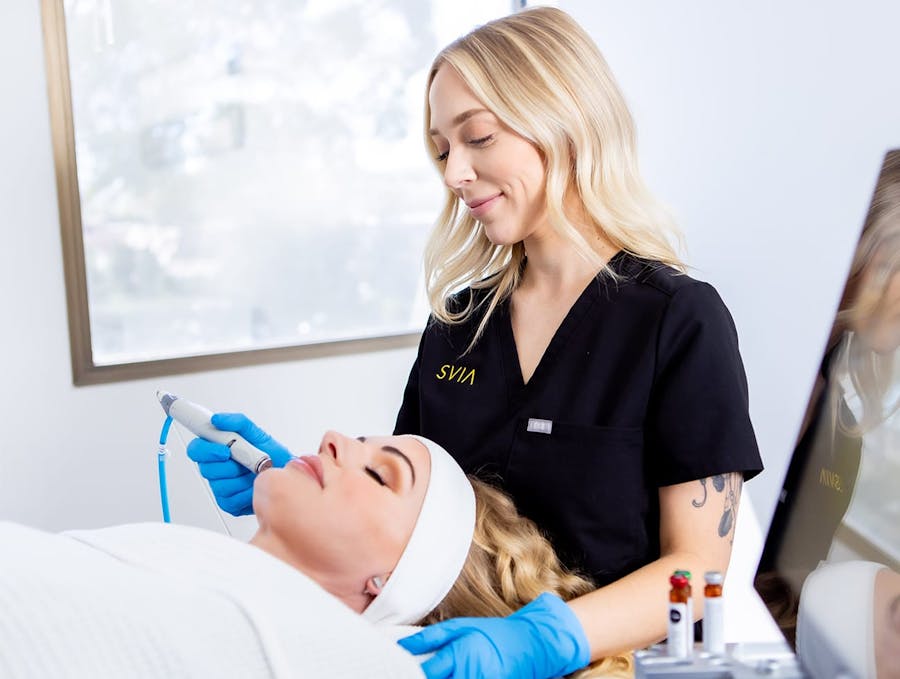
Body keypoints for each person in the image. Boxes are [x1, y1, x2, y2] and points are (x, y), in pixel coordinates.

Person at [189, 7, 763, 677]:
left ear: (566, 118)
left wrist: (543, 640)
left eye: (478, 137)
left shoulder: (678, 322)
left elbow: (697, 569)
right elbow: (407, 519)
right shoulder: (457, 325)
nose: (454, 173)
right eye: (441, 150)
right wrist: (291, 484)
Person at [1, 428, 629, 677]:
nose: (332, 439)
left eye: (380, 474)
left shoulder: (356, 660)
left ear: (391, 585)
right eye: (358, 439)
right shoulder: (194, 564)